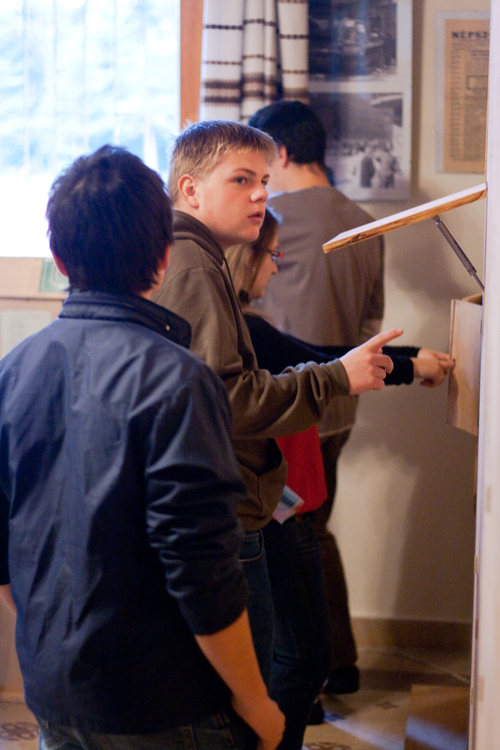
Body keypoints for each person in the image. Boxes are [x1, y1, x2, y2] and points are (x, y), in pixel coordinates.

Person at [0, 145, 285, 750]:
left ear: (59, 258)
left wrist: (57, 641)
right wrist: (256, 701)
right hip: (164, 700)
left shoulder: (14, 369)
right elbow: (200, 566)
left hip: (55, 690)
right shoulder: (179, 378)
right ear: (163, 257)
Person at [151, 119, 417, 750]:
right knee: (254, 698)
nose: (260, 195)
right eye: (241, 180)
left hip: (230, 503)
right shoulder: (193, 263)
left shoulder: (195, 257)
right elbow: (229, 400)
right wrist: (337, 378)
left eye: (264, 180)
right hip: (223, 509)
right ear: (189, 189)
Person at [247, 100, 450, 697]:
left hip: (288, 406)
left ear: (281, 152)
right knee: (312, 528)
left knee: (290, 538)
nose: (257, 185)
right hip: (342, 404)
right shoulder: (363, 221)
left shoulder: (268, 223)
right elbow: (369, 325)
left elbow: (265, 336)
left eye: (260, 166)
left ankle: (304, 673)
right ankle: (334, 663)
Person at [225, 208, 453, 738]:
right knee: (304, 656)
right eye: (272, 255)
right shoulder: (245, 329)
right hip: (278, 510)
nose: (276, 267)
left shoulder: (243, 325)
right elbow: (326, 363)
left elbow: (323, 359)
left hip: (278, 505)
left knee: (300, 652)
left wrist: (411, 358)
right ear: (247, 258)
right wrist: (410, 363)